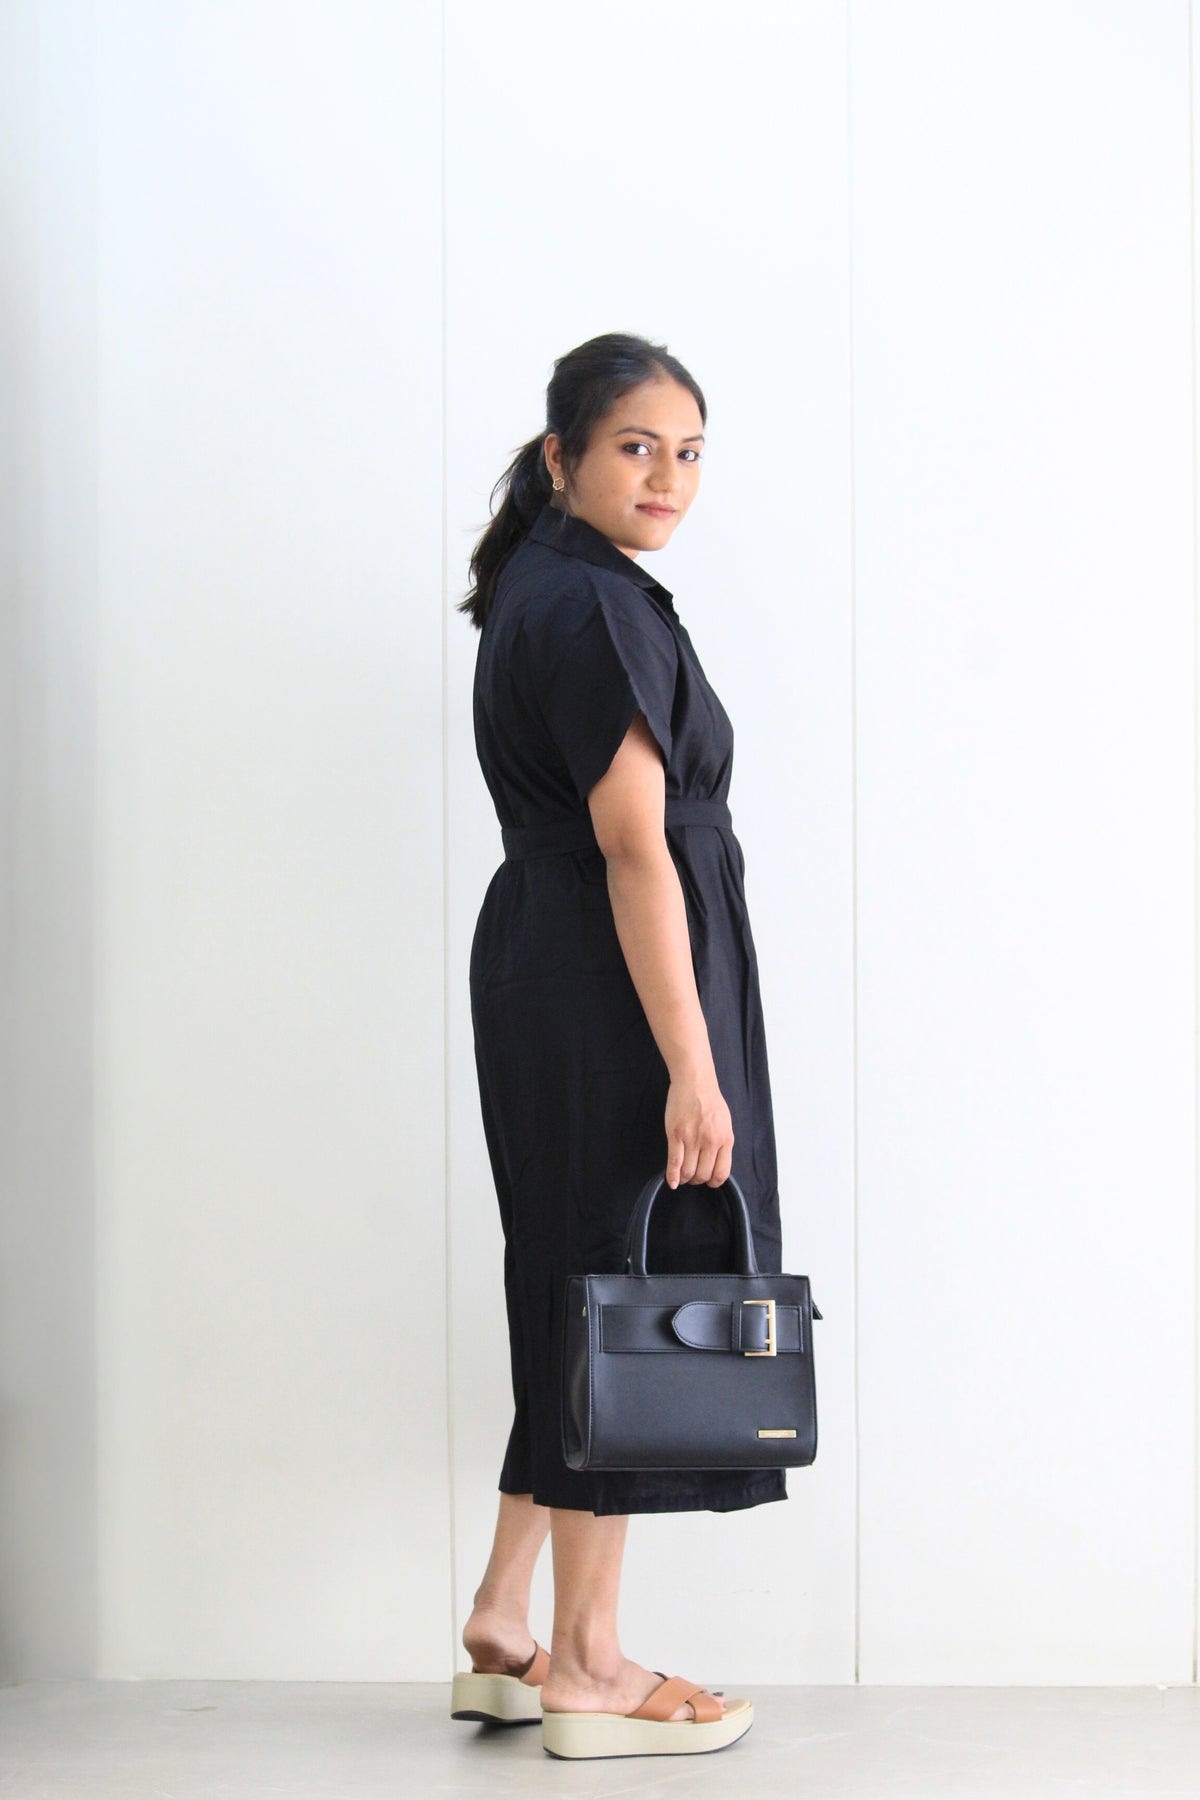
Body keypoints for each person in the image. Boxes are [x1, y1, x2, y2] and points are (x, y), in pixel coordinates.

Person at [450, 331, 783, 1760]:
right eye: (637, 446)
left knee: (572, 1277)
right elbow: (637, 848)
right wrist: (693, 1067)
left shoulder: (548, 587)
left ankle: (503, 1618)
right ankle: (589, 1666)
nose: (668, 477)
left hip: (554, 961)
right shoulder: (592, 607)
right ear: (562, 457)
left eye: (690, 452)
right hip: (614, 976)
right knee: (619, 1279)